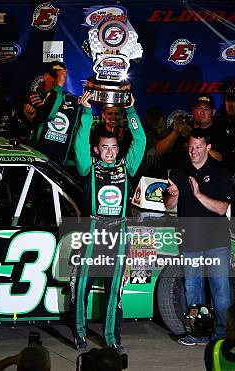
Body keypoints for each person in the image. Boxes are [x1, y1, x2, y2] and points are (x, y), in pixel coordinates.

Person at [69, 90, 145, 352]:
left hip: (120, 231)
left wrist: (132, 111)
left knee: (115, 289)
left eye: (113, 147)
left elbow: (141, 141)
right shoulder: (88, 166)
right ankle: (79, 334)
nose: (110, 152)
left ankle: (111, 338)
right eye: (105, 147)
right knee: (82, 286)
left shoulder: (127, 167)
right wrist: (87, 113)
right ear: (96, 149)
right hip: (93, 229)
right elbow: (79, 142)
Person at [164, 128, 233, 345]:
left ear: (208, 148)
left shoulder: (221, 172)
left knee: (220, 290)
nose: (193, 151)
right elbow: (168, 205)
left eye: (199, 147)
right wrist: (173, 196)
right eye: (191, 147)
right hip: (190, 241)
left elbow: (222, 208)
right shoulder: (178, 171)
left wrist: (199, 195)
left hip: (216, 242)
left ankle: (222, 335)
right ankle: (197, 332)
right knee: (192, 288)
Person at [23, 62, 85, 168]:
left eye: (61, 77)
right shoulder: (35, 96)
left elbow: (76, 130)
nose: (58, 80)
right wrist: (58, 87)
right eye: (55, 77)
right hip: (38, 159)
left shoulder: (73, 100)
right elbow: (46, 115)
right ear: (45, 76)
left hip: (61, 162)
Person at [156, 94, 225, 171]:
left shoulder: (219, 130)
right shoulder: (183, 125)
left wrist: (192, 137)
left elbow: (218, 158)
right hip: (175, 174)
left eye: (206, 109)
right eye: (198, 108)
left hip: (204, 177)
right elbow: (159, 151)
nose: (202, 112)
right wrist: (175, 133)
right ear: (193, 110)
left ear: (213, 112)